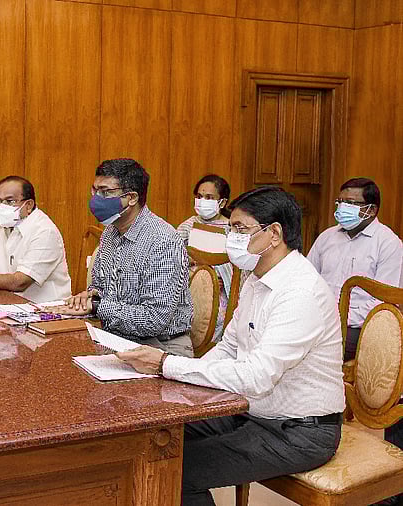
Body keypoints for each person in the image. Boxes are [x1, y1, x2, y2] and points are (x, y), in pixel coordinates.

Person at [119, 186, 345, 506]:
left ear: (274, 234)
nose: (232, 238)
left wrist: (166, 364)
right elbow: (229, 347)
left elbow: (257, 377)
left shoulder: (300, 292)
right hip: (250, 410)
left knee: (177, 471)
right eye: (231, 229)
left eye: (240, 229)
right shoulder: (256, 277)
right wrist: (185, 385)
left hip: (298, 431)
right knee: (155, 439)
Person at [58, 158, 194, 357]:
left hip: (160, 347)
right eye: (95, 191)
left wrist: (97, 307)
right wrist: (89, 296)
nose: (96, 199)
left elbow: (154, 319)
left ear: (131, 198)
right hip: (115, 337)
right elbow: (101, 287)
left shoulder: (163, 241)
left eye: (105, 192)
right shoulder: (110, 232)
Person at [308, 177, 403, 361]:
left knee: (317, 352)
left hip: (359, 326)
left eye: (351, 203)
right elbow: (307, 279)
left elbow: (384, 300)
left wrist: (339, 318)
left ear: (371, 210)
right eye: (340, 202)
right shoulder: (327, 237)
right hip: (319, 318)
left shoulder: (388, 244)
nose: (342, 208)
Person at [176, 174, 233, 340]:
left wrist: (220, 278)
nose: (202, 201)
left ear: (222, 202)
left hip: (222, 292)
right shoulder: (189, 225)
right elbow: (172, 255)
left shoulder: (231, 228)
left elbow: (237, 266)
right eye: (199, 196)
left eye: (209, 197)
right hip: (189, 286)